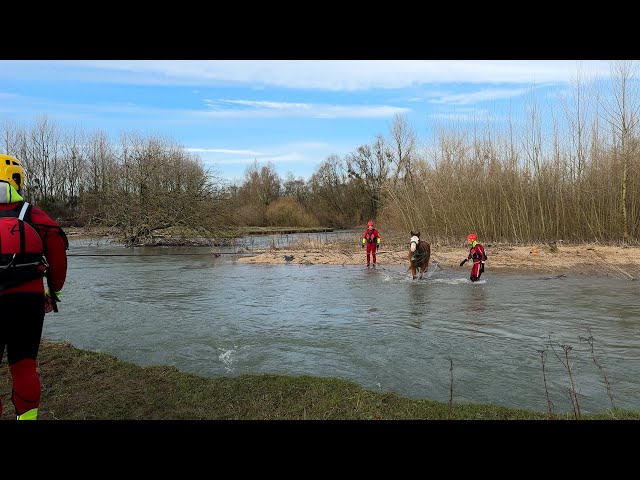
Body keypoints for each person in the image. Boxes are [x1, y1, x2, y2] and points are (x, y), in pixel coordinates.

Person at [0, 153, 68, 420]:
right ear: (18, 181)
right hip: (27, 302)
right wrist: (54, 294)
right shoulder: (35, 215)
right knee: (24, 366)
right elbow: (58, 258)